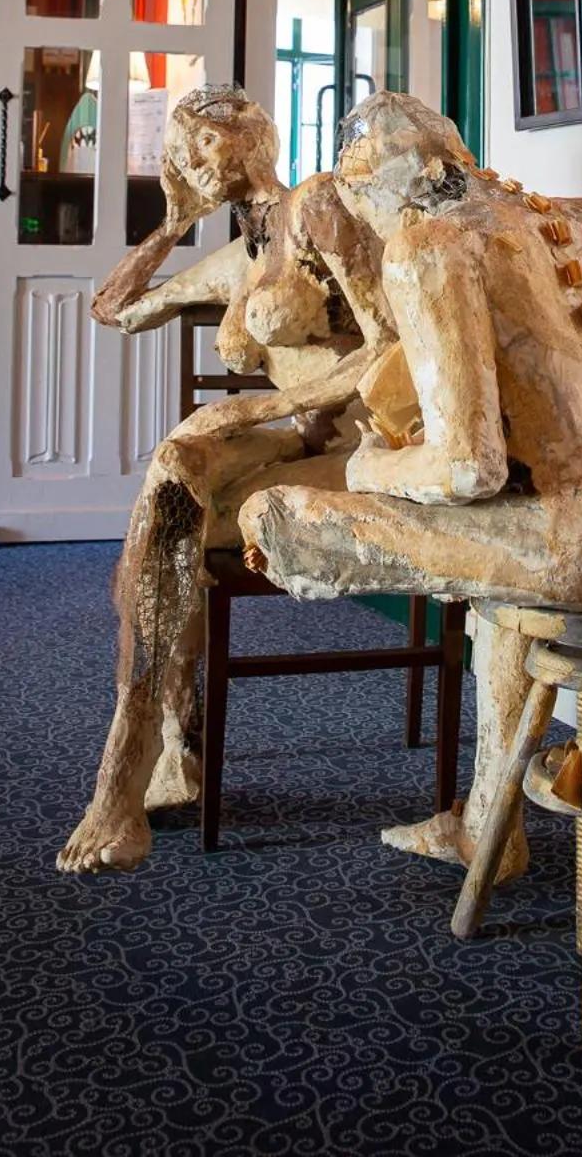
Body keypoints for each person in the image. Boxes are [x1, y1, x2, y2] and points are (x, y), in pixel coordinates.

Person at [238, 89, 582, 875]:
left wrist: (371, 465)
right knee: (503, 577)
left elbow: (466, 468)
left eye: (366, 217)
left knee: (276, 513)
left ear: (368, 185)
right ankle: (488, 828)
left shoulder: (424, 245)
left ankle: (325, 549)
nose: (374, 238)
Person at [58, 85, 392, 875]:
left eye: (203, 144)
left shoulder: (324, 216)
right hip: (285, 437)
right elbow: (111, 308)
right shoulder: (231, 260)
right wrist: (172, 222)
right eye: (181, 152)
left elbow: (388, 350)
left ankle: (147, 761)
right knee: (173, 484)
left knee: (158, 533)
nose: (191, 161)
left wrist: (247, 413)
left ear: (257, 140)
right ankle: (155, 746)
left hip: (365, 441)